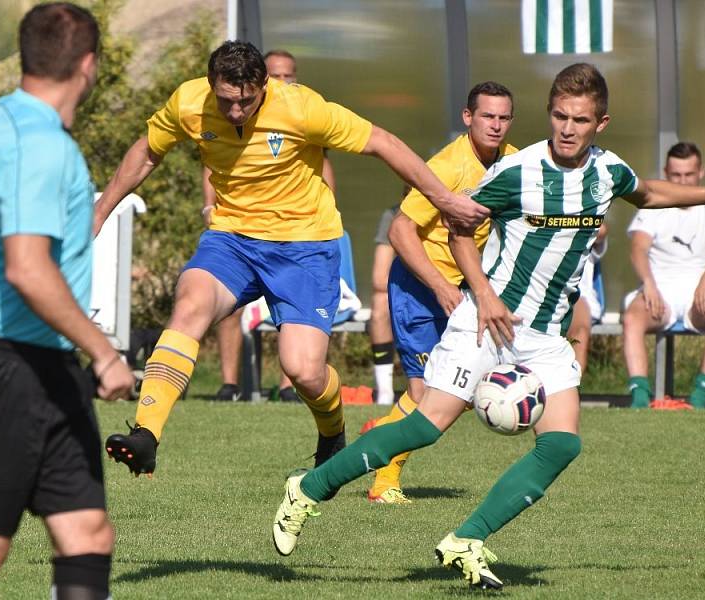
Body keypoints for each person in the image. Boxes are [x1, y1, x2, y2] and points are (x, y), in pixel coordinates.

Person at [271, 63, 705, 590]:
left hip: (545, 338)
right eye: (559, 115)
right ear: (549, 113)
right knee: (425, 426)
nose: (567, 128)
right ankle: (307, 489)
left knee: (562, 445)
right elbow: (460, 227)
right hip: (488, 323)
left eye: (580, 119)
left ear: (600, 123)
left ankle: (467, 539)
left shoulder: (607, 172)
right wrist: (482, 295)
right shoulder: (518, 172)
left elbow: (647, 194)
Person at [94, 40, 488, 477]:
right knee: (190, 305)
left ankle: (332, 429)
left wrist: (445, 200)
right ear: (211, 86)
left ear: (264, 85)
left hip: (304, 246)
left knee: (302, 370)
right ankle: (146, 435)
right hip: (233, 238)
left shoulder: (302, 109)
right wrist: (99, 213)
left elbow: (383, 143)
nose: (237, 112)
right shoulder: (189, 103)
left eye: (247, 101)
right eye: (227, 101)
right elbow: (146, 152)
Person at [0, 4, 135, 597]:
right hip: (7, 363)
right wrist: (105, 352)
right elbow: (26, 268)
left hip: (49, 366)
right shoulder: (36, 144)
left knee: (87, 532)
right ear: (88, 66)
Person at [364, 81, 517, 504]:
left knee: (459, 391)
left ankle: (383, 431)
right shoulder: (448, 167)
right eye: (488, 116)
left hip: (465, 289)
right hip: (420, 287)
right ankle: (384, 481)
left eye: (504, 117)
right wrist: (440, 285)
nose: (496, 125)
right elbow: (399, 231)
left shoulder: (514, 163)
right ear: (468, 118)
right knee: (427, 394)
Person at [207, 49, 335, 403]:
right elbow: (211, 167)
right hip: (237, 230)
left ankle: (287, 386)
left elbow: (323, 170)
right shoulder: (226, 113)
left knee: (293, 323)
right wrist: (209, 208)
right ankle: (230, 384)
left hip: (294, 239)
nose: (283, 82)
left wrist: (325, 219)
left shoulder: (302, 113)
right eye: (276, 74)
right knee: (215, 299)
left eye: (288, 75)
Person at [623, 142, 705, 409]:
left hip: (703, 287)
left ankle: (699, 397)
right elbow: (638, 249)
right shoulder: (651, 204)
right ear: (666, 173)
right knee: (631, 316)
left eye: (689, 174)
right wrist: (649, 284)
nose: (683, 181)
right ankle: (640, 398)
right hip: (659, 290)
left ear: (701, 173)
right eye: (676, 175)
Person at [369, 204, 400, 406]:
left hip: (449, 290)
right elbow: (380, 279)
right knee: (380, 303)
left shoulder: (454, 209)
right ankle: (385, 392)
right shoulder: (393, 215)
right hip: (410, 291)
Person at [568, 222, 608, 372]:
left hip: (575, 293)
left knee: (579, 332)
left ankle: (573, 388)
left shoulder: (588, 211)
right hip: (534, 291)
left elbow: (602, 230)